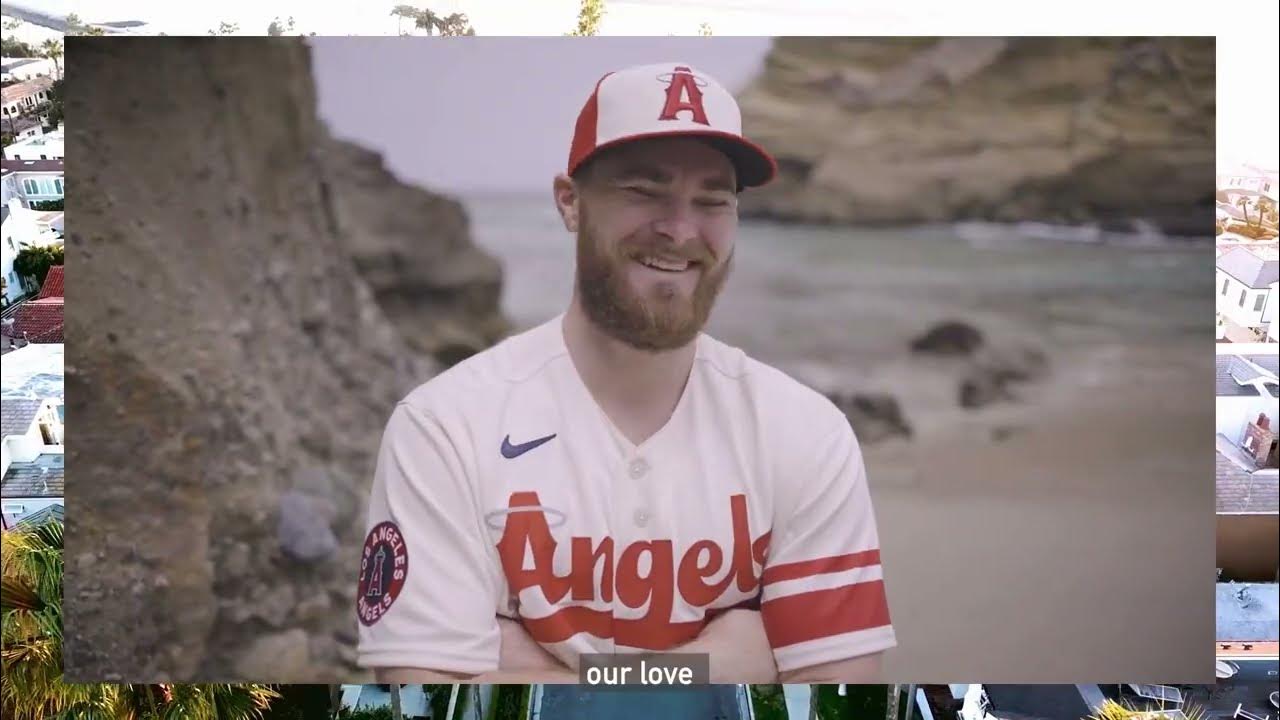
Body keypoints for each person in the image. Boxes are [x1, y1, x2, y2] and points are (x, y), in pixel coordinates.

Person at [356, 62, 895, 683]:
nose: (680, 229)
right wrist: (713, 670)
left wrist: (534, 672)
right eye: (643, 191)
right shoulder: (444, 429)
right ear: (570, 202)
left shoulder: (806, 434)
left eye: (712, 200)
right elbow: (423, 698)